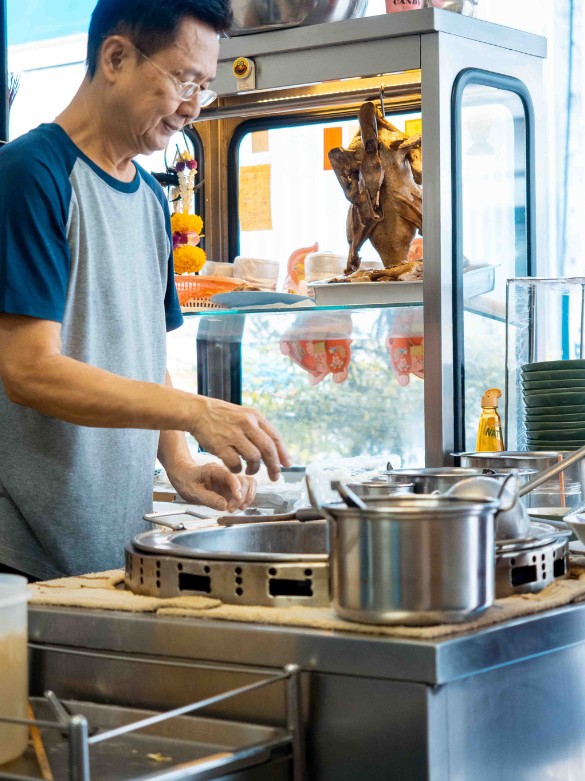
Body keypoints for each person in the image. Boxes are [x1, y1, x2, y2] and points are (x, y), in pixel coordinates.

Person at [0, 0, 291, 581]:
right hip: (21, 556)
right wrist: (195, 411)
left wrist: (179, 460)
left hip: (112, 545)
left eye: (204, 87)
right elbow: (28, 369)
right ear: (115, 58)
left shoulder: (153, 201)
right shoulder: (30, 174)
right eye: (184, 80)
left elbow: (142, 356)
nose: (192, 107)